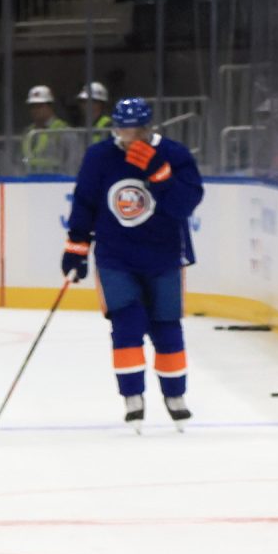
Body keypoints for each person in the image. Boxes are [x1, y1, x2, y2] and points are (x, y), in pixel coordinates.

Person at [62, 97, 204, 426]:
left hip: (164, 256)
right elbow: (85, 202)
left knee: (166, 327)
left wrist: (159, 173)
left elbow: (183, 205)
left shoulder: (174, 155)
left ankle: (174, 395)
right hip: (116, 256)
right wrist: (76, 247)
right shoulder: (100, 156)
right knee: (126, 323)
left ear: (147, 128)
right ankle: (132, 396)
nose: (127, 139)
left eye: (134, 131)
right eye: (122, 131)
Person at [20, 85, 75, 176]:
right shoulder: (28, 132)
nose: (35, 110)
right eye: (33, 106)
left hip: (57, 183)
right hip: (29, 183)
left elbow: (73, 163)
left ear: (50, 107)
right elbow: (19, 161)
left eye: (40, 106)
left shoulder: (63, 131)